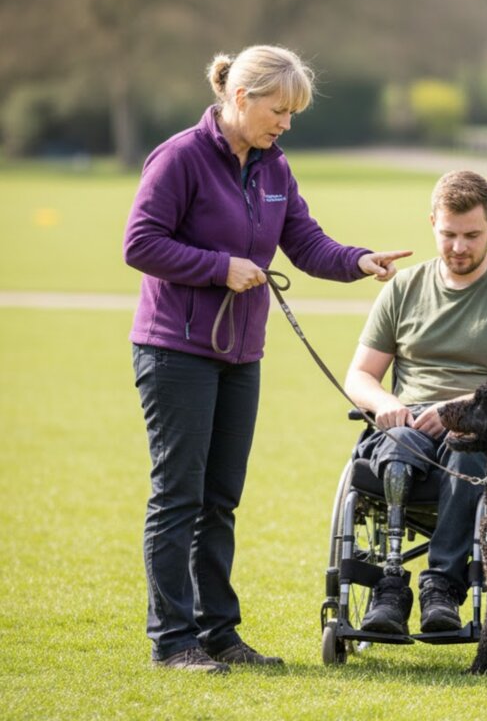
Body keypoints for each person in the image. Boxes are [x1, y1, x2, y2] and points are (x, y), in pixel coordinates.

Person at [124, 44, 411, 673]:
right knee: (178, 496)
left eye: (292, 114)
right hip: (176, 351)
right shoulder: (180, 158)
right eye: (278, 110)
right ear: (240, 98)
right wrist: (218, 268)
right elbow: (140, 243)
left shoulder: (274, 167)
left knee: (220, 499)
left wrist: (356, 261)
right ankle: (173, 642)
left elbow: (302, 239)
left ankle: (218, 634)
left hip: (240, 354)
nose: (285, 123)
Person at [344, 169, 487, 635]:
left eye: (472, 235)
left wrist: (455, 409)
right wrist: (385, 404)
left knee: (472, 452)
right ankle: (390, 587)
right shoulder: (403, 288)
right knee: (396, 442)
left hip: (477, 433)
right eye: (448, 234)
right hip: (406, 428)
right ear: (432, 224)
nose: (459, 247)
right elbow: (358, 375)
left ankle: (441, 586)